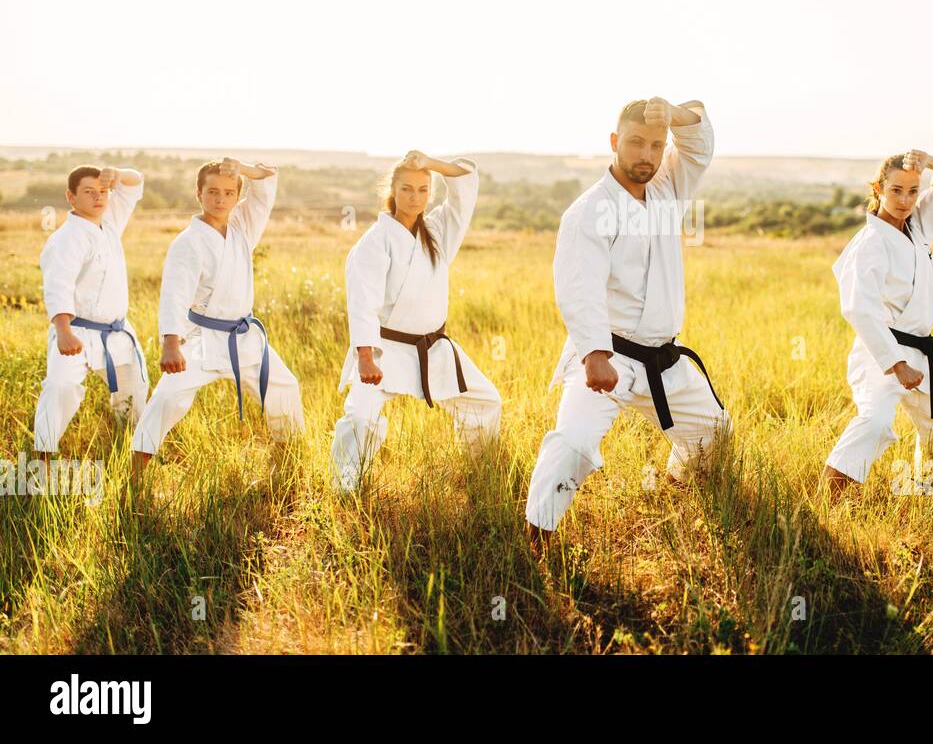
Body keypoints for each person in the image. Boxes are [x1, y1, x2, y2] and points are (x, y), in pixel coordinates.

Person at [524, 97, 728, 548]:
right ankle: (535, 539)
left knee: (715, 433)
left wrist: (674, 115)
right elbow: (580, 288)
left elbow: (699, 143)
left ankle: (675, 492)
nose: (647, 155)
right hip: (608, 355)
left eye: (656, 145)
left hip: (663, 358)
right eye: (636, 143)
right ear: (615, 143)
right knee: (574, 444)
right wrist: (595, 354)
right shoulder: (589, 211)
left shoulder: (668, 188)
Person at [330, 151, 502, 493]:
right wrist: (365, 357)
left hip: (433, 347)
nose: (415, 197)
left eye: (423, 189)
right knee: (361, 416)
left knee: (485, 401)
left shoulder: (437, 232)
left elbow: (466, 178)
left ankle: (480, 475)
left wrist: (432, 164)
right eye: (407, 189)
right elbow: (362, 303)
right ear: (393, 191)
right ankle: (345, 489)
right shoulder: (374, 243)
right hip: (385, 348)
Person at [131, 157, 303, 482]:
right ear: (199, 193)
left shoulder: (242, 228)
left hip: (244, 337)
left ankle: (284, 471)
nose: (220, 199)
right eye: (212, 192)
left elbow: (266, 181)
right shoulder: (187, 243)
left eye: (228, 192)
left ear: (238, 196)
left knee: (285, 388)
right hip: (201, 339)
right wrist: (171, 344)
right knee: (167, 397)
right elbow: (174, 295)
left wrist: (243, 169)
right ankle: (135, 479)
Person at [822, 149, 933, 496]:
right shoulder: (870, 242)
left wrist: (929, 162)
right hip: (881, 352)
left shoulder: (919, 227)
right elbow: (858, 309)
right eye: (896, 190)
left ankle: (929, 492)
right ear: (878, 188)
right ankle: (826, 504)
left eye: (913, 190)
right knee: (874, 423)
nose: (905, 200)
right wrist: (896, 364)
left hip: (920, 350)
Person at [34, 165, 148, 457]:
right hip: (76, 330)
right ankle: (43, 455)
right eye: (89, 192)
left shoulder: (109, 223)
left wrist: (118, 173)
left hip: (117, 332)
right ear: (71, 197)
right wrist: (63, 332)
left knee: (135, 393)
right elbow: (57, 286)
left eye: (103, 192)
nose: (98, 198)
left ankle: (127, 450)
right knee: (61, 388)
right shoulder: (65, 238)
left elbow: (135, 184)